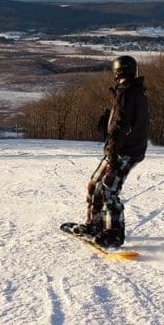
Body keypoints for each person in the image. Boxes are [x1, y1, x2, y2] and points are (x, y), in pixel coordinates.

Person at [62, 55, 149, 247]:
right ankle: (95, 225)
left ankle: (114, 232)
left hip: (126, 151)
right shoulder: (128, 93)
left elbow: (121, 125)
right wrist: (108, 122)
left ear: (117, 72)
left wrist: (112, 150)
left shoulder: (128, 94)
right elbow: (121, 121)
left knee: (109, 189)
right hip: (119, 148)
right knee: (94, 184)